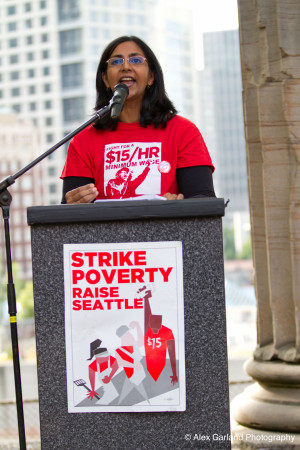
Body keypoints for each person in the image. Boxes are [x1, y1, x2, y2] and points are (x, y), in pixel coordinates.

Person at [61, 35, 215, 204]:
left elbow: (203, 202)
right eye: (116, 62)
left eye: (135, 60)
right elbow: (71, 213)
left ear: (151, 77)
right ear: (105, 79)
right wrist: (72, 206)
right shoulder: (83, 140)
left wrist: (176, 208)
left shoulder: (183, 131)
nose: (126, 66)